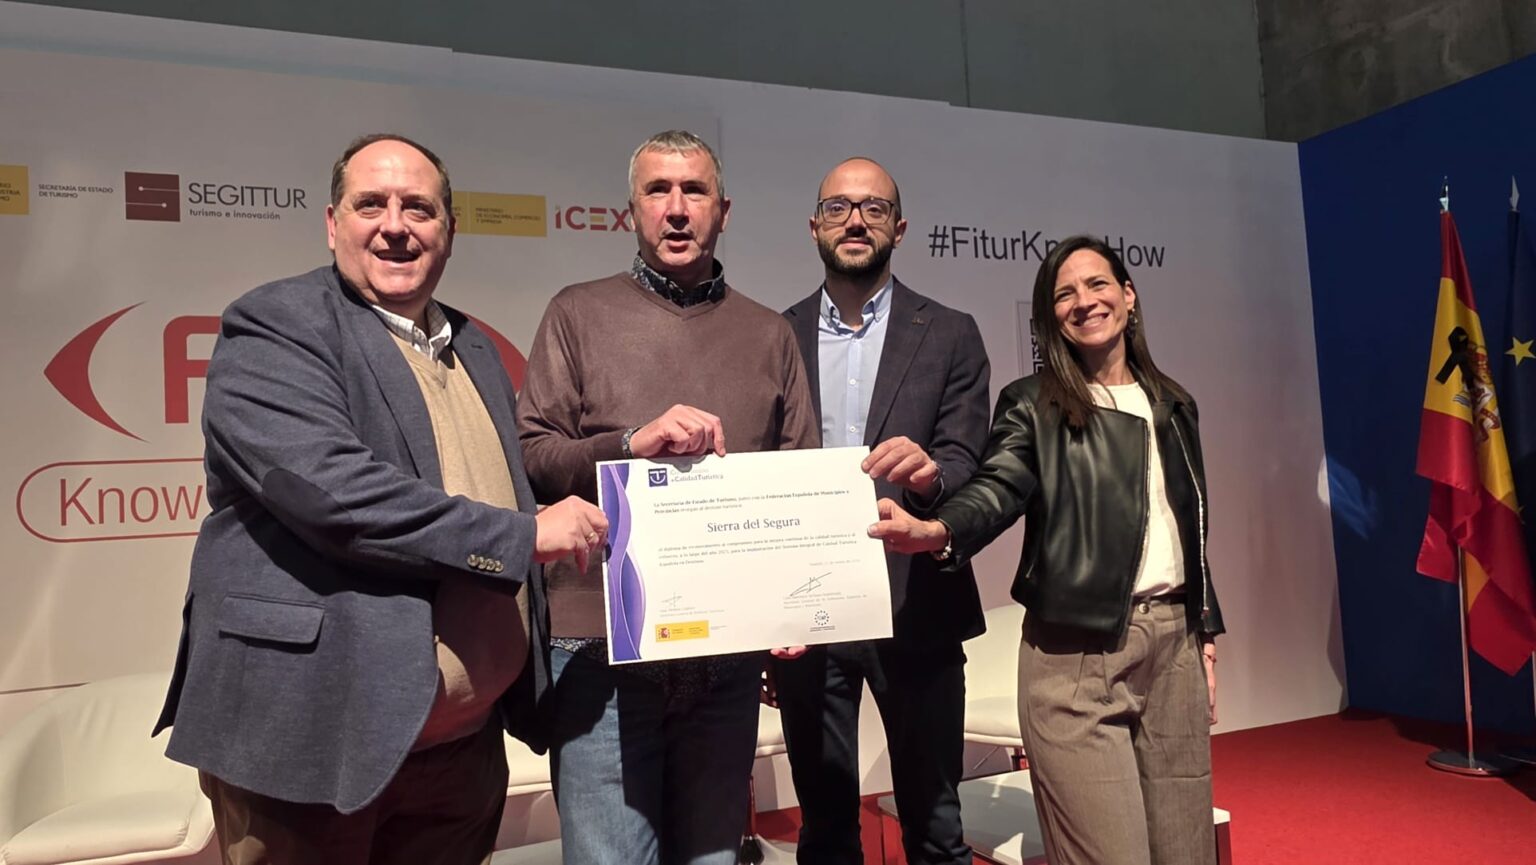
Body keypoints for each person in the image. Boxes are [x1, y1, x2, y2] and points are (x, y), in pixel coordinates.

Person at [154, 133, 607, 864]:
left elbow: (509, 478)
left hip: (460, 750)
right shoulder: (276, 324)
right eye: (372, 204)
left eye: (418, 208)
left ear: (449, 230)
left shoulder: (472, 343)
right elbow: (332, 494)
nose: (396, 225)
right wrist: (523, 537)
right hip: (314, 740)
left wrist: (629, 450)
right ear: (333, 222)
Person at [515, 129, 820, 865]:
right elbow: (533, 457)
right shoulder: (575, 313)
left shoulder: (770, 333)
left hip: (725, 656)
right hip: (599, 649)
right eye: (658, 191)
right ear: (631, 210)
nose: (676, 209)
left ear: (724, 210)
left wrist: (794, 604)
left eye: (694, 191)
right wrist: (629, 443)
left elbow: (799, 482)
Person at [870, 234, 1224, 865]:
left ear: (1129, 296)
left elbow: (1189, 529)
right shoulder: (1033, 404)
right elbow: (997, 487)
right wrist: (939, 530)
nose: (1084, 301)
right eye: (1065, 294)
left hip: (1174, 650)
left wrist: (1205, 632)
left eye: (1098, 284)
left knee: (1187, 852)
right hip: (1073, 660)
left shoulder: (1175, 404)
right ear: (1050, 317)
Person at [771, 157, 990, 865]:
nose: (856, 221)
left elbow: (966, 458)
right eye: (838, 207)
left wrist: (929, 479)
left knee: (936, 828)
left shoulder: (951, 332)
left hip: (918, 602)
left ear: (899, 228)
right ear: (814, 227)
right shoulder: (773, 336)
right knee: (826, 833)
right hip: (810, 613)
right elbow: (760, 471)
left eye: (873, 208)